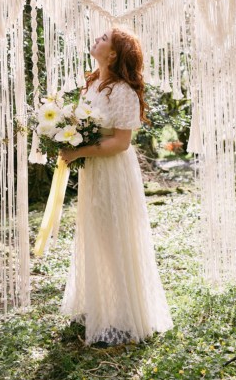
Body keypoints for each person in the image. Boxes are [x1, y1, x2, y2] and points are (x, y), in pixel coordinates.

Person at [59, 27, 173, 347]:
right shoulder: (93, 83)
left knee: (114, 240)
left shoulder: (122, 91)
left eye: (104, 38)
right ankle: (98, 305)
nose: (96, 38)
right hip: (94, 171)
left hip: (113, 171)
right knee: (96, 235)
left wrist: (78, 150)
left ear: (112, 54)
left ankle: (122, 316)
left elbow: (121, 143)